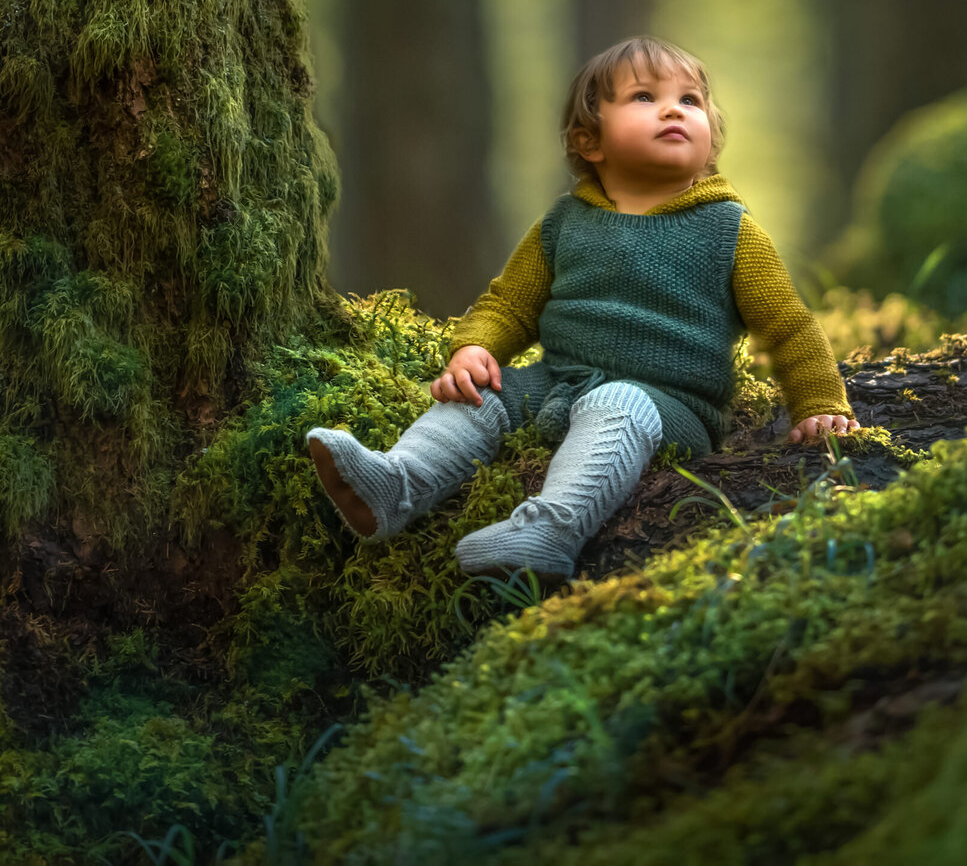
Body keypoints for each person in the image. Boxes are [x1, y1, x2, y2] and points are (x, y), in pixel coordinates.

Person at [307, 36, 860, 582]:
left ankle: (549, 532)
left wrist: (818, 401)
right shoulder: (564, 222)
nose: (673, 108)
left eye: (690, 101)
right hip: (560, 381)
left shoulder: (729, 231)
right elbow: (511, 304)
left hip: (668, 406)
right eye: (644, 97)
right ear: (589, 141)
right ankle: (395, 486)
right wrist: (474, 347)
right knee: (479, 396)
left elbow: (788, 327)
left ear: (710, 137)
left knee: (617, 400)